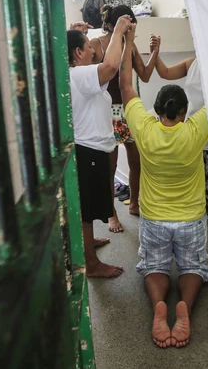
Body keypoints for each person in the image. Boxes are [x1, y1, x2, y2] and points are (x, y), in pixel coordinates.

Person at [120, 30, 208, 348]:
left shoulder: (144, 128)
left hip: (154, 219)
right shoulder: (196, 129)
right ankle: (184, 304)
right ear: (185, 110)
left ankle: (159, 304)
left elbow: (126, 86)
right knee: (192, 267)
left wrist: (125, 44)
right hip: (190, 219)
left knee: (155, 267)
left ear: (157, 110)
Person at [67, 16, 133, 278]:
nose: (94, 51)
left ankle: (88, 242)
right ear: (78, 52)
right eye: (89, 47)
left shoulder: (82, 76)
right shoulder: (80, 74)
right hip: (88, 151)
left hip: (91, 149)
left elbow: (108, 68)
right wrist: (117, 31)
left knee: (91, 206)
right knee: (86, 211)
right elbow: (112, 66)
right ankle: (91, 264)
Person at [92, 5, 157, 233]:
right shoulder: (97, 45)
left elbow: (146, 76)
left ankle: (134, 203)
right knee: (109, 165)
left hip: (128, 109)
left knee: (136, 160)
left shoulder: (131, 45)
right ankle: (111, 214)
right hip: (107, 111)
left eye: (132, 23)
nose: (131, 27)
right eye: (126, 22)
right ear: (111, 24)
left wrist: (154, 52)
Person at [150, 36, 208, 220]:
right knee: (197, 167)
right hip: (191, 128)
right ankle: (205, 204)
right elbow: (165, 73)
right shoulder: (192, 63)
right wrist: (155, 53)